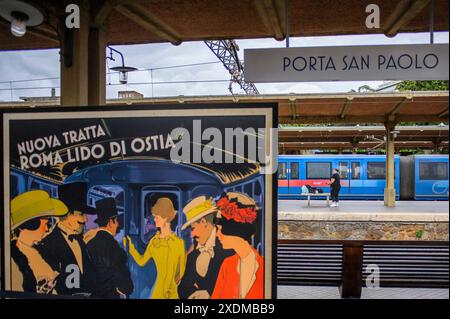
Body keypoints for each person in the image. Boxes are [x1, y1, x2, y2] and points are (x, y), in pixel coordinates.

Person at [36, 182, 97, 296]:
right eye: (81, 214)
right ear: (67, 214)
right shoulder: (47, 245)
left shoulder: (80, 241)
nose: (86, 219)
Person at [123, 197, 186, 299]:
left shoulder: (179, 243)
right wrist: (131, 248)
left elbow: (180, 273)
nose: (154, 220)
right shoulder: (154, 242)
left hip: (173, 293)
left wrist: (172, 285)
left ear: (165, 217)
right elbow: (141, 261)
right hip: (158, 292)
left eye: (157, 217)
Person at [10, 190, 68, 294]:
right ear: (31, 225)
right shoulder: (13, 257)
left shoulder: (37, 251)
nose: (47, 229)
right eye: (45, 224)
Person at [178, 196, 233, 299]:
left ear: (203, 222)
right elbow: (183, 288)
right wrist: (195, 293)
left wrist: (210, 294)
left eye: (193, 228)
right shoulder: (194, 250)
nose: (191, 235)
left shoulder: (228, 246)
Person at [211, 192, 264, 299]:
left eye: (220, 230)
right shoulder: (227, 264)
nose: (217, 235)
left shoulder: (263, 266)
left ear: (235, 231)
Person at [84, 197, 133, 299]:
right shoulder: (113, 246)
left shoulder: (90, 243)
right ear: (111, 222)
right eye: (116, 221)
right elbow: (125, 284)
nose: (118, 224)